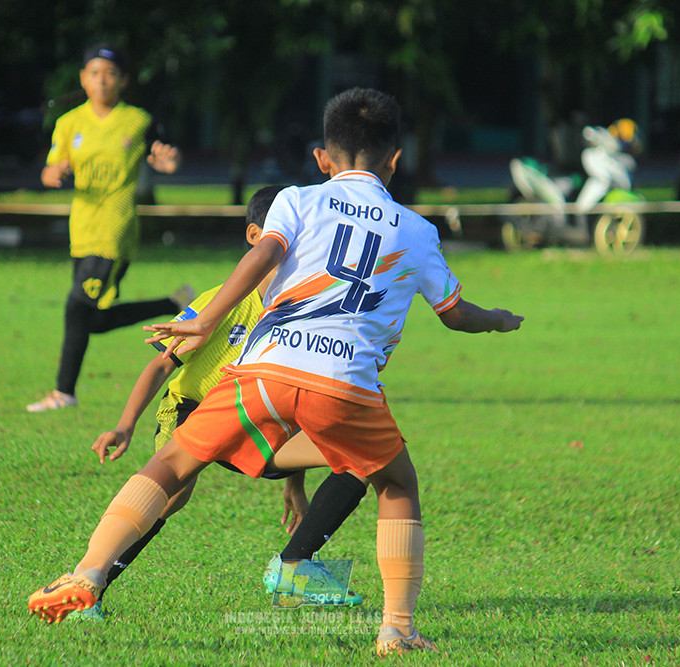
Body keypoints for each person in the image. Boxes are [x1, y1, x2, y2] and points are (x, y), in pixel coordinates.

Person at [27, 87, 524, 656]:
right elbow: (455, 314)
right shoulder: (415, 230)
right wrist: (498, 321)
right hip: (347, 387)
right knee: (396, 483)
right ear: (394, 159)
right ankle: (398, 628)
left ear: (322, 159)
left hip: (263, 370)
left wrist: (205, 316)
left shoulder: (296, 199)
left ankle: (88, 572)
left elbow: (263, 254)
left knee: (170, 462)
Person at [68, 185, 369, 620]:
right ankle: (86, 590)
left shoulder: (302, 310)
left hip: (252, 417)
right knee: (172, 495)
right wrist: (125, 424)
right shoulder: (222, 300)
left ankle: (294, 568)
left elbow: (298, 405)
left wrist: (295, 484)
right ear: (255, 237)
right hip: (193, 410)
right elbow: (162, 365)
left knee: (361, 455)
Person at [27, 44, 193, 412]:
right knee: (93, 320)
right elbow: (51, 166)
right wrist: (51, 173)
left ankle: (63, 393)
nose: (102, 80)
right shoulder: (69, 123)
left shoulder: (137, 121)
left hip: (115, 227)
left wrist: (170, 162)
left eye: (111, 73)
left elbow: (167, 153)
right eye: (95, 72)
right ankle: (176, 303)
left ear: (123, 80)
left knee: (76, 308)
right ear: (83, 78)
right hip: (81, 228)